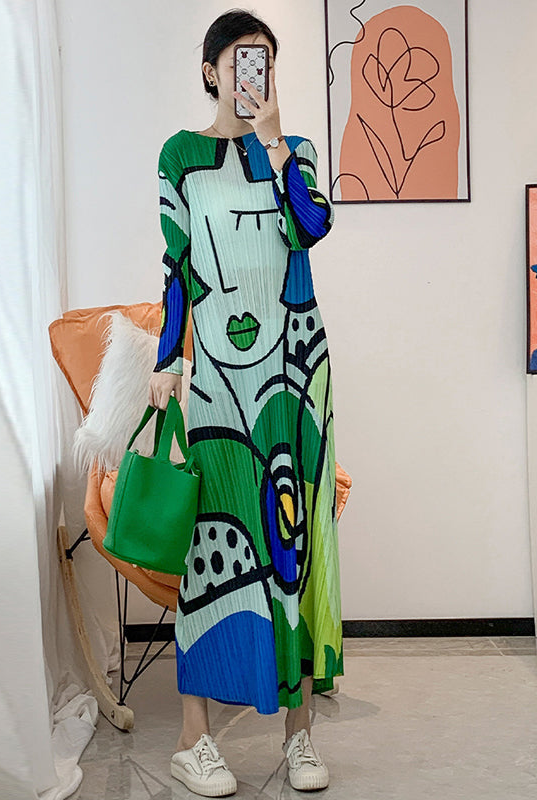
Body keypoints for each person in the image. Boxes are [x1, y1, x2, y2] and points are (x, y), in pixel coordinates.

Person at [148, 8, 343, 797]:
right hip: (220, 386)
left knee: (294, 551)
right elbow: (177, 266)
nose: (250, 72)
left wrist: (274, 143)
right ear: (210, 70)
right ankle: (192, 741)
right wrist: (167, 360)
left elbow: (312, 227)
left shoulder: (294, 152)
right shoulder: (181, 156)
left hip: (295, 374)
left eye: (263, 59)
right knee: (211, 552)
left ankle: (299, 735)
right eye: (238, 59)